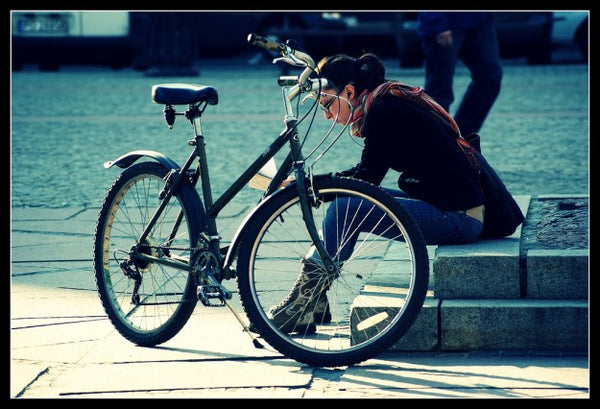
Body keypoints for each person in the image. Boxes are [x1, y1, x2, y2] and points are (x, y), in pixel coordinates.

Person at [266, 53, 488, 333]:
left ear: (349, 91)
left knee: (344, 208)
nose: (326, 116)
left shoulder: (384, 111)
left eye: (327, 105)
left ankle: (305, 303)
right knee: (344, 205)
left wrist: (313, 186)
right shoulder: (384, 101)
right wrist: (315, 184)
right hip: (446, 204)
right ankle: (314, 301)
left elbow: (366, 180)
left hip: (458, 217)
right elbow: (366, 172)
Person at [417, 12, 503, 137]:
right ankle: (435, 140)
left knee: (490, 77)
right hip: (444, 21)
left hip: (479, 20)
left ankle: (460, 138)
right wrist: (436, 21)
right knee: (439, 90)